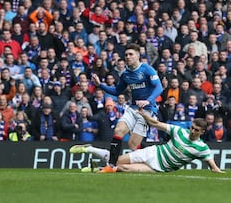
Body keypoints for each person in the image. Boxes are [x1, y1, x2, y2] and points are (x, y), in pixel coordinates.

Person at [69, 109, 224, 173]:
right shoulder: (179, 131)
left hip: (160, 168)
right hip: (153, 153)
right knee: (115, 160)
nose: (192, 131)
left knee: (123, 169)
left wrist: (220, 173)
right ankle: (89, 149)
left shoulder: (202, 148)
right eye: (192, 128)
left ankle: (97, 170)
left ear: (202, 132)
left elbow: (213, 168)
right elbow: (156, 124)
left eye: (196, 130)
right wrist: (144, 115)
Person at [92, 43, 163, 172]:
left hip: (147, 110)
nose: (128, 57)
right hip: (132, 108)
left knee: (132, 145)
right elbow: (117, 91)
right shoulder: (126, 74)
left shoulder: (147, 69)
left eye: (131, 54)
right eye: (126, 55)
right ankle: (112, 165)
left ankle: (151, 162)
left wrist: (148, 101)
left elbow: (159, 87)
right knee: (118, 130)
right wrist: (100, 85)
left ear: (137, 56)